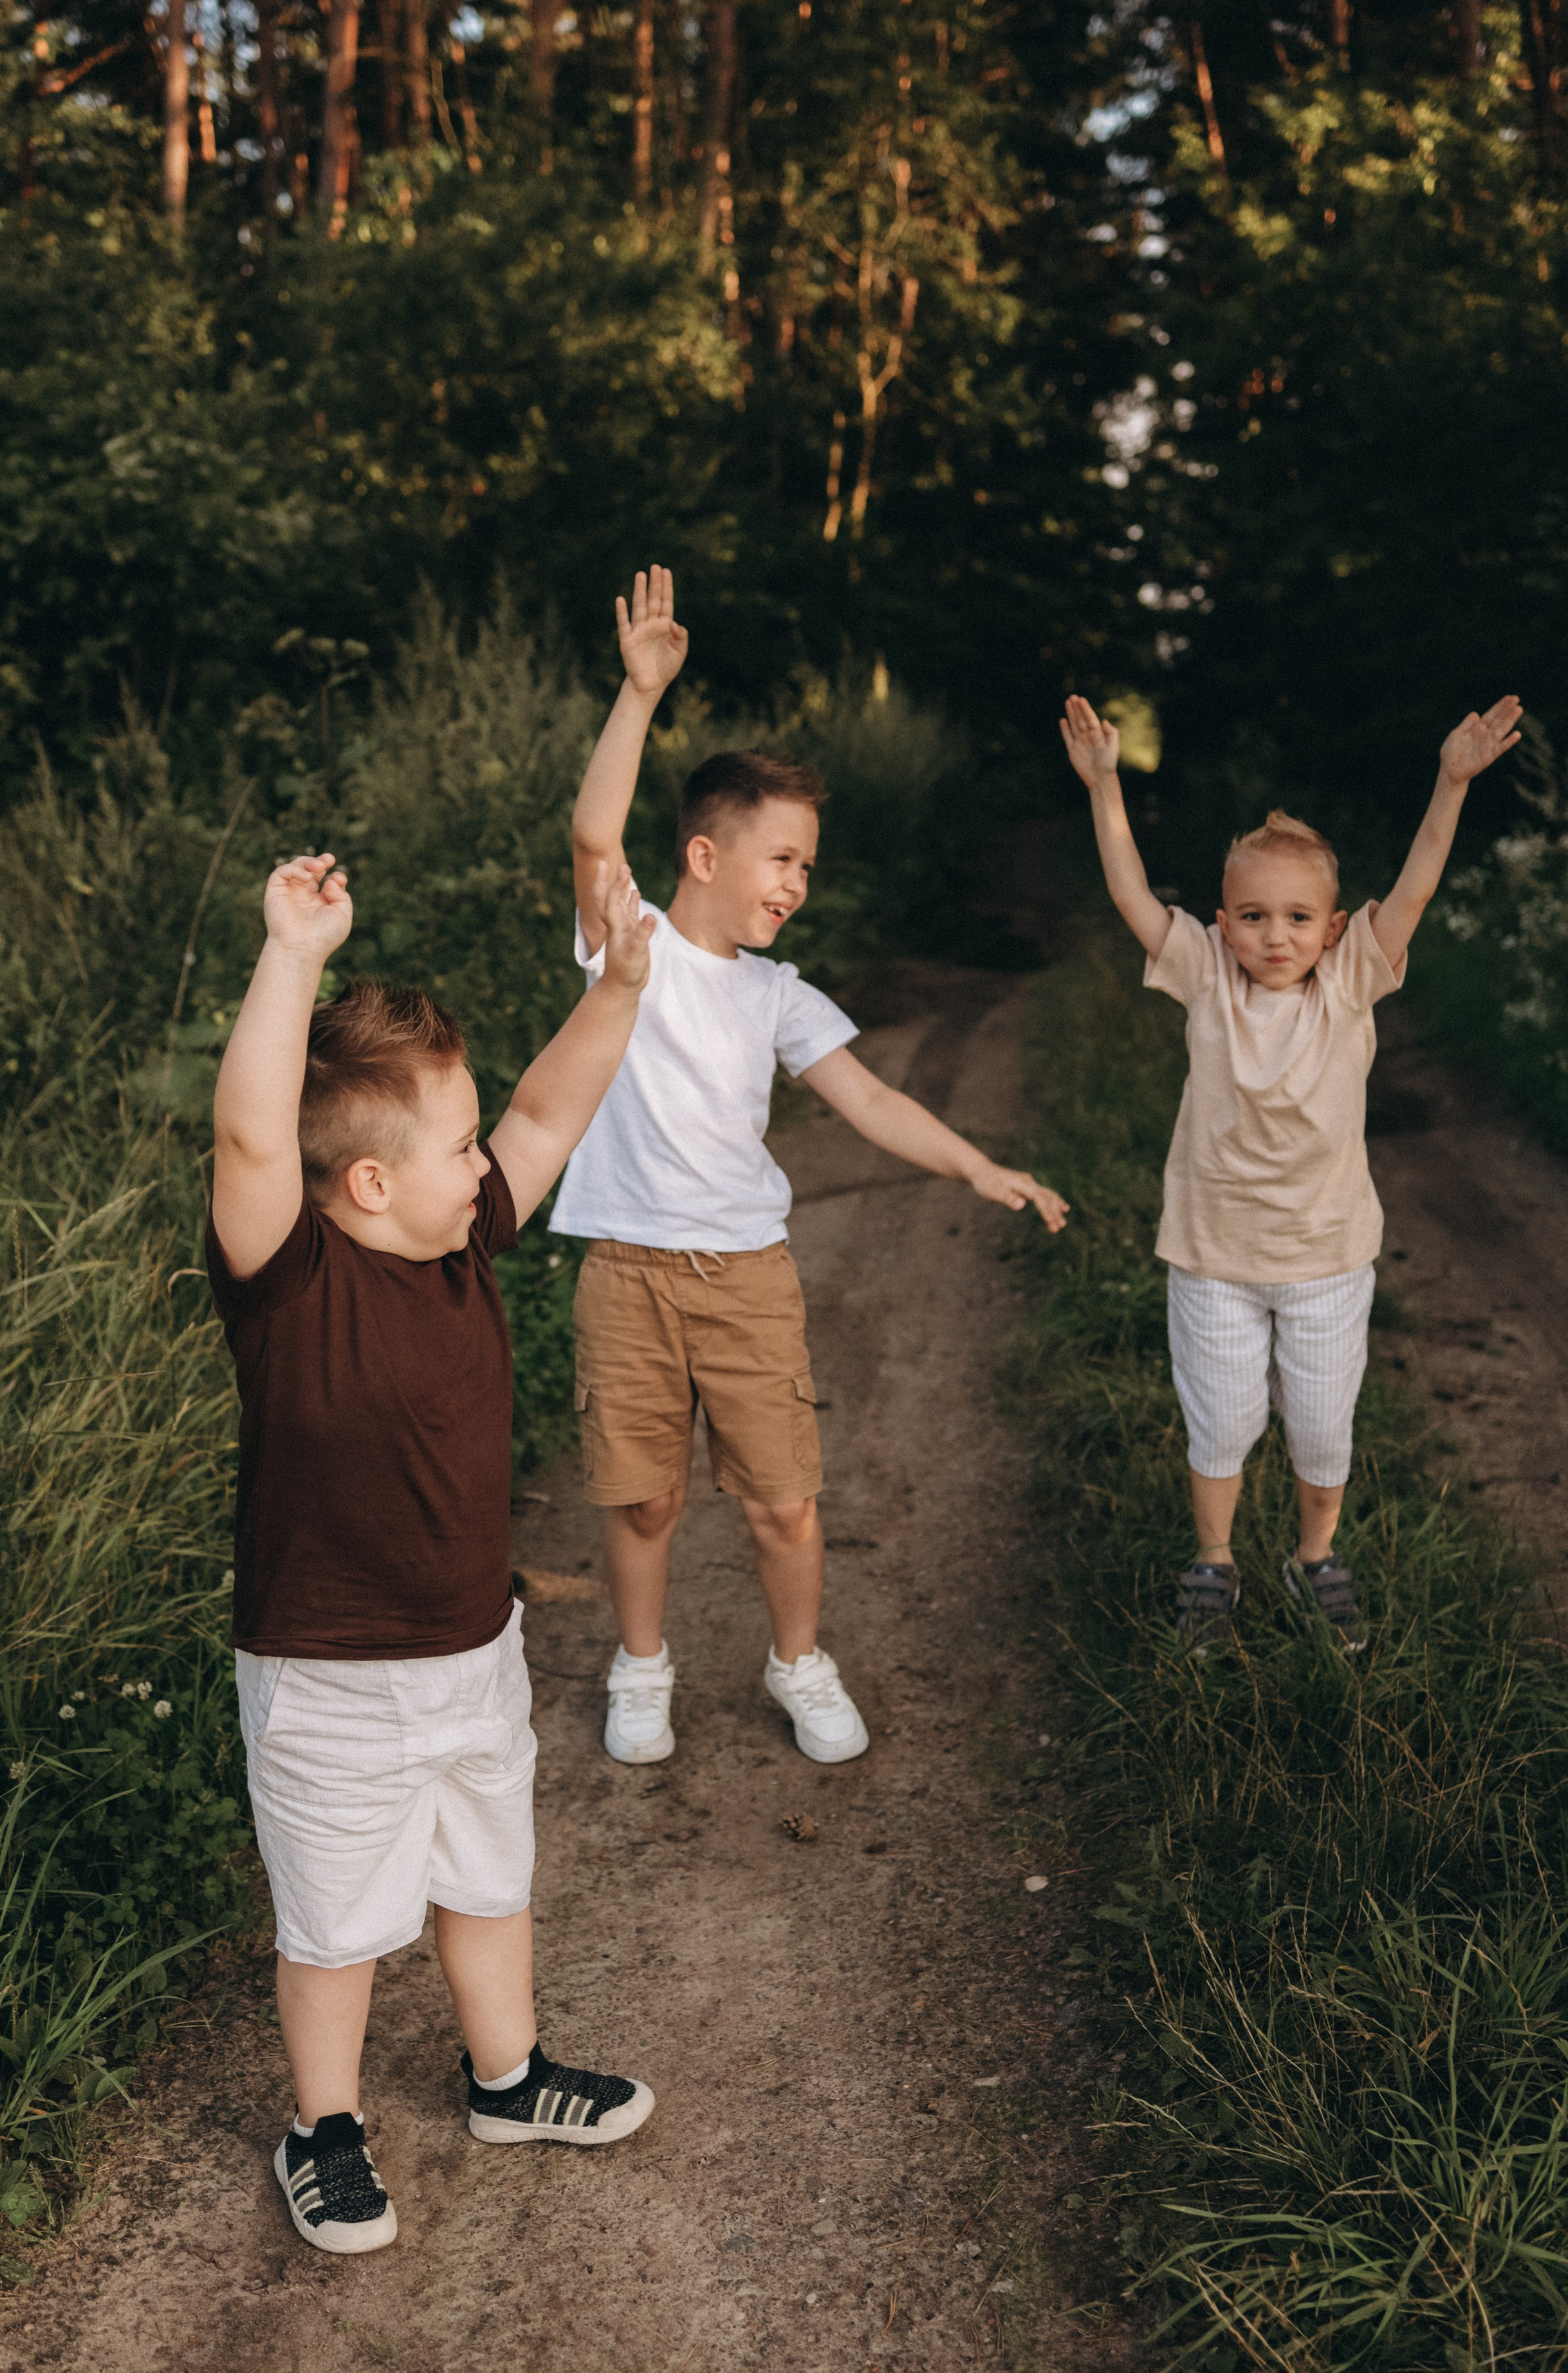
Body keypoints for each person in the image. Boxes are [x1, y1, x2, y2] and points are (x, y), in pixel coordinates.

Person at [207, 845, 658, 2256]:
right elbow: (249, 1141)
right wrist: (293, 957)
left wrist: (624, 992)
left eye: (474, 1146)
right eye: (454, 1150)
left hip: (473, 1651)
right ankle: (323, 2129)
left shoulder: (460, 1242)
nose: (486, 1165)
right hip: (326, 1676)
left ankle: (508, 2080)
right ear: (359, 1182)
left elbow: (545, 1107)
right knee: (335, 1927)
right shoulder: (288, 1278)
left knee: (487, 1876)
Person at [551, 566, 1070, 1770]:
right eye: (779, 859)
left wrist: (976, 1165)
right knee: (643, 1500)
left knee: (782, 1499)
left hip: (746, 1277)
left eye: (807, 867)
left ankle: (798, 1662)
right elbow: (591, 832)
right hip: (625, 1272)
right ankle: (642, 1667)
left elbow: (872, 1096)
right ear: (700, 856)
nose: (795, 884)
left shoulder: (778, 993)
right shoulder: (624, 944)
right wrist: (639, 696)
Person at [1060, 689, 1523, 1654]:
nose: (1278, 936)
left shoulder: (1353, 980)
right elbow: (1130, 895)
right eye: (1256, 916)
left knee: (1321, 1430)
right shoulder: (1204, 975)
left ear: (1334, 926)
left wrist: (1451, 781)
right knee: (1220, 1426)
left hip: (1324, 1261)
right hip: (1214, 1257)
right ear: (1222, 923)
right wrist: (1106, 787)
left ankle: (1316, 1558)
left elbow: (1420, 888)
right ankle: (1215, 1562)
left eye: (1300, 918)